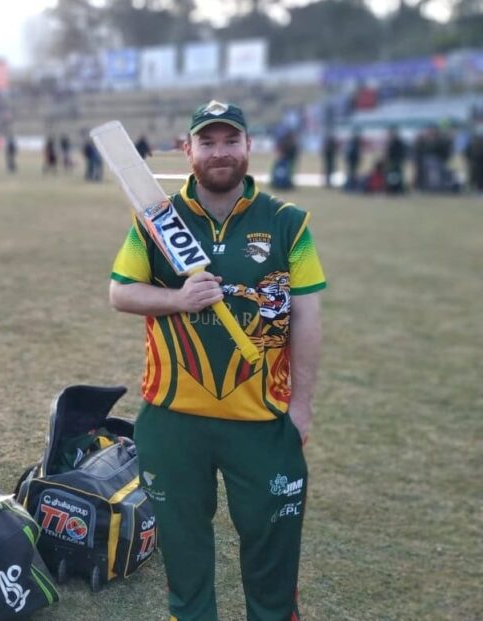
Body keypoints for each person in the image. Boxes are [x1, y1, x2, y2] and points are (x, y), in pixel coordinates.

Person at [109, 100, 326, 621]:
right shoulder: (156, 221)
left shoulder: (287, 224)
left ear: (249, 146)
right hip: (173, 418)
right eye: (208, 142)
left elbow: (306, 318)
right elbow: (121, 292)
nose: (220, 152)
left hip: (262, 418)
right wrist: (178, 299)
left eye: (231, 141)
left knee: (272, 554)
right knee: (184, 554)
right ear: (188, 150)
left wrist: (301, 407)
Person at [384, 125, 408, 194]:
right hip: (391, 163)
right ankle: (392, 189)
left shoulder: (398, 142)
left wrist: (399, 160)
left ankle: (398, 189)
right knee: (391, 177)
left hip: (397, 162)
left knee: (397, 177)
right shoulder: (390, 142)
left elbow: (401, 153)